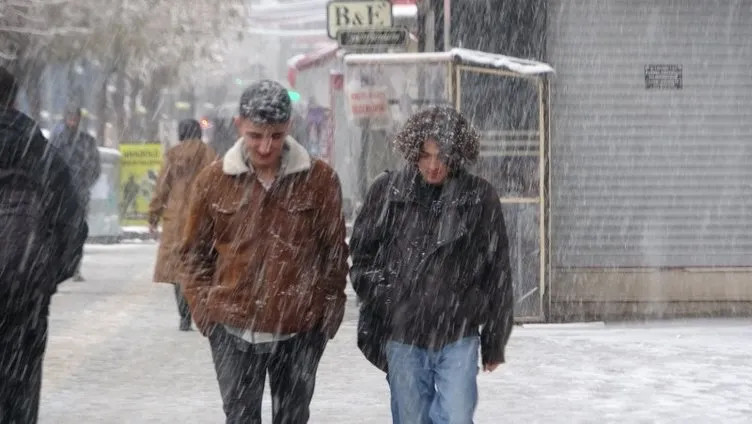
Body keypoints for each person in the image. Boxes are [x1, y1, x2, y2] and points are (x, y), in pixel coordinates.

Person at [180, 79, 348, 423]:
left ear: (289, 126)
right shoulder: (212, 181)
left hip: (300, 328)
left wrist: (326, 313)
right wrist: (205, 311)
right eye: (256, 135)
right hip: (231, 326)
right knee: (240, 418)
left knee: (292, 417)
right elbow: (193, 255)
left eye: (275, 135)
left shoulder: (319, 180)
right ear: (239, 124)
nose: (266, 146)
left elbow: (333, 252)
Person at [349, 106, 514, 424]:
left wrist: (494, 338)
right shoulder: (387, 192)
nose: (434, 165)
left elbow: (498, 270)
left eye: (442, 156)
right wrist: (388, 296)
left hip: (459, 331)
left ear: (458, 155)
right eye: (425, 155)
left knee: (456, 415)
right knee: (411, 417)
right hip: (403, 332)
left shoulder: (479, 197)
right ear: (413, 153)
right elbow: (362, 256)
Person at [0, 67, 88, 423]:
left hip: (27, 288)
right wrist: (46, 277)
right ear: (14, 98)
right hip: (25, 299)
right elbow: (73, 224)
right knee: (19, 392)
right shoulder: (39, 150)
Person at [148, 119, 216, 331]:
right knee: (197, 263)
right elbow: (217, 184)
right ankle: (198, 310)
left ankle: (184, 315)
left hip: (176, 218)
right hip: (200, 215)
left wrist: (153, 215)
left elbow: (162, 187)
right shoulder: (209, 155)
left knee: (178, 268)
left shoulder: (172, 155)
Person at [49, 103, 101, 281]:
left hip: (79, 193)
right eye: (70, 117)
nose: (72, 120)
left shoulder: (87, 141)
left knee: (78, 230)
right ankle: (60, 265)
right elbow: (48, 164)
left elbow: (95, 167)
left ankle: (75, 266)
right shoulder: (56, 140)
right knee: (58, 229)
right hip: (59, 193)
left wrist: (84, 183)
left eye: (75, 117)